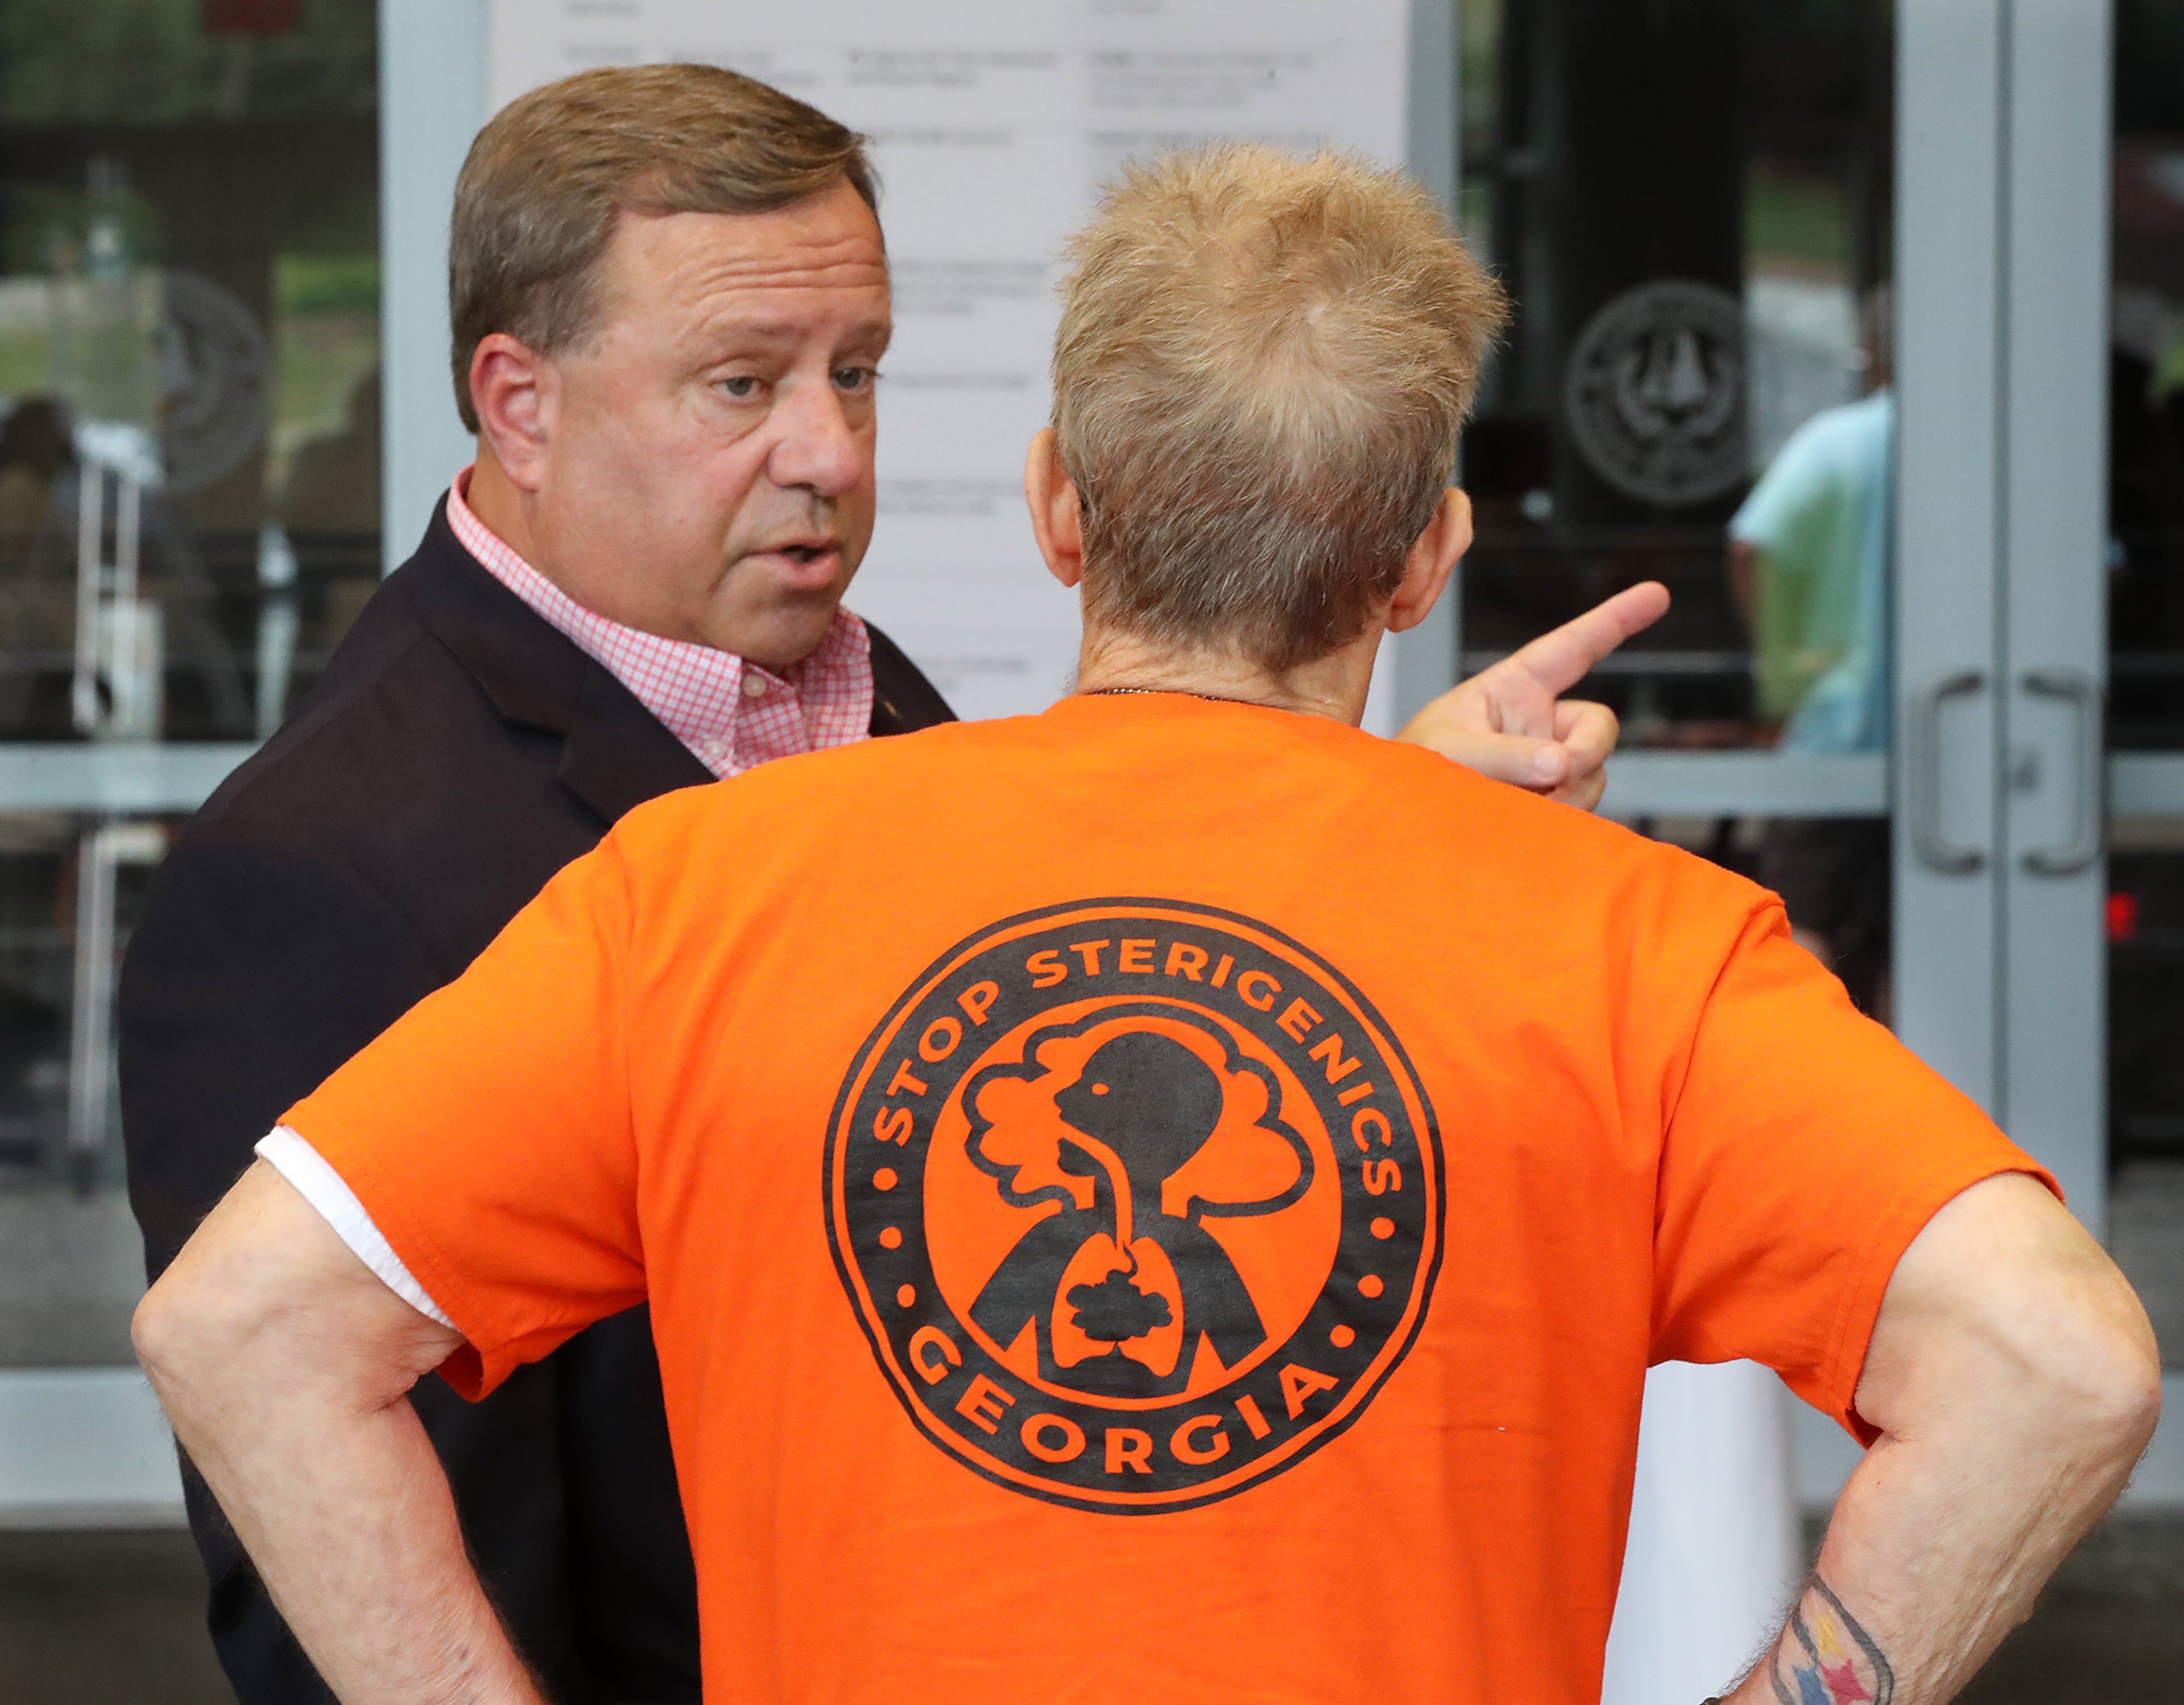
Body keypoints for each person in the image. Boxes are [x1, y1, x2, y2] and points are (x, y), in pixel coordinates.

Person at [134, 142, 2158, 1705]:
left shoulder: (704, 888)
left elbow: (241, 1327)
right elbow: (2054, 1360)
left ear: (1056, 509)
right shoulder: (1639, 949)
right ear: (1425, 560)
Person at [1727, 288, 1895, 1017]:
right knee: (1927, 945)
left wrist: (1784, 659)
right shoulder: (1993, 443)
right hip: (1965, 751)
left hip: (1836, 734)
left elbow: (1752, 547)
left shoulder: (1838, 442)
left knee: (1810, 943)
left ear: (1874, 353)